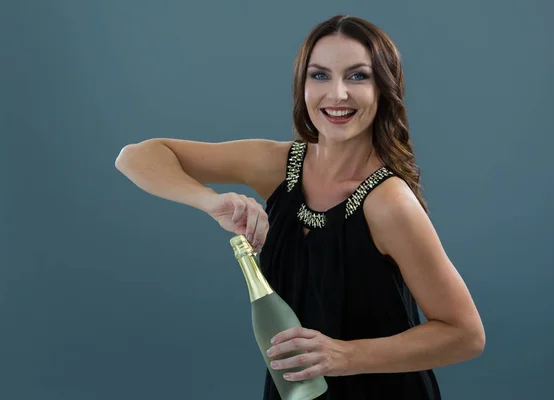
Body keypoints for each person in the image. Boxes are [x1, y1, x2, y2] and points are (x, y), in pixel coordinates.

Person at [115, 14, 485, 400]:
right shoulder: (278, 166)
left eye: (358, 76)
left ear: (384, 89)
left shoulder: (389, 202)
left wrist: (344, 355)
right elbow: (136, 157)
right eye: (319, 75)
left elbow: (465, 335)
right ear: (301, 84)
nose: (337, 94)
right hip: (296, 393)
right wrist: (211, 201)